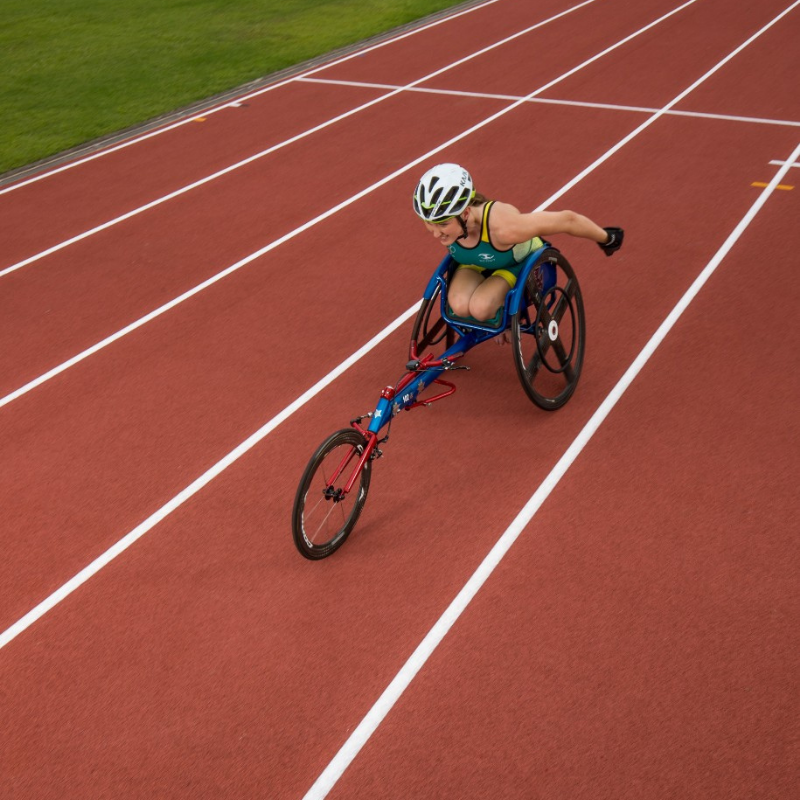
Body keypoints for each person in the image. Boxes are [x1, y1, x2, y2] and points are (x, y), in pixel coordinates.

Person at [412, 163, 623, 327]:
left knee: (481, 308)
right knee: (457, 305)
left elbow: (567, 220)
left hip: (513, 265)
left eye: (443, 224)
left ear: (465, 213)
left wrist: (606, 238)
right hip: (475, 264)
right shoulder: (453, 226)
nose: (435, 233)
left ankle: (504, 314)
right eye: (428, 224)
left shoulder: (504, 227)